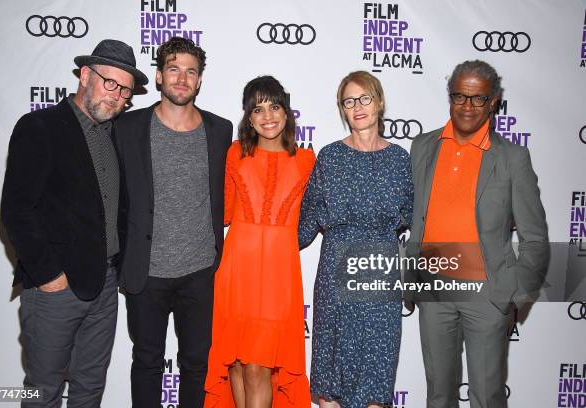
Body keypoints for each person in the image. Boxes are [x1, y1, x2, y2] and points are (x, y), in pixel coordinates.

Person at [1, 39, 147, 407]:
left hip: (105, 284)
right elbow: (17, 210)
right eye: (109, 83)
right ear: (85, 75)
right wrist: (50, 276)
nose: (116, 96)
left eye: (125, 91)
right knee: (43, 390)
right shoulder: (41, 126)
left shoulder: (117, 135)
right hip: (56, 288)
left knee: (89, 388)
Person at [406, 60, 549, 408]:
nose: (467, 107)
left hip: (487, 296)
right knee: (439, 395)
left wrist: (513, 297)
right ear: (450, 96)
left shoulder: (513, 158)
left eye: (478, 99)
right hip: (434, 289)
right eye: (459, 96)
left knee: (486, 396)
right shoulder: (422, 146)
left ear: (494, 101)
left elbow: (535, 239)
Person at [113, 37, 232, 408]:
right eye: (174, 69)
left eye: (191, 71)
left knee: (196, 365)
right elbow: (113, 197)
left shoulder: (221, 130)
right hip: (145, 272)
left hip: (200, 272)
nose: (182, 78)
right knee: (147, 362)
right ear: (159, 76)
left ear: (199, 81)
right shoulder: (127, 127)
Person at [298, 71, 413, 408]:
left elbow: (413, 216)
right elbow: (304, 223)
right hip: (336, 271)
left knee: (376, 376)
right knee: (331, 379)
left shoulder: (400, 160)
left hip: (381, 271)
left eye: (365, 98)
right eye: (349, 101)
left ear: (379, 102)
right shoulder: (329, 157)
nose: (358, 106)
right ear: (342, 110)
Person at [204, 76, 314, 407]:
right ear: (248, 118)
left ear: (287, 112)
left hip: (278, 278)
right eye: (258, 109)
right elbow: (219, 210)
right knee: (236, 364)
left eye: (275, 106)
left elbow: (313, 219)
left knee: (258, 368)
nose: (268, 116)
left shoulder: (307, 160)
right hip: (236, 274)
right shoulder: (234, 155)